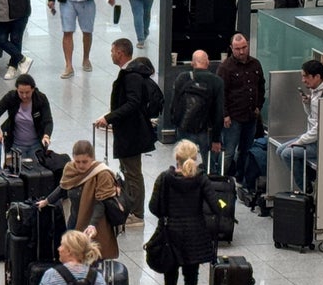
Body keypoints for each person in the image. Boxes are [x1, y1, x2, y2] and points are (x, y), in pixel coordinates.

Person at [149, 140, 224, 285]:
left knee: (170, 280)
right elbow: (216, 207)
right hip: (195, 235)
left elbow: (153, 207)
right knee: (191, 278)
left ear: (177, 159)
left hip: (170, 234)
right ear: (196, 158)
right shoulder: (201, 179)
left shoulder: (165, 178)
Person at [95, 39, 157, 227]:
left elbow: (132, 103)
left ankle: (137, 214)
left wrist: (110, 117)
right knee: (129, 171)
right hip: (129, 130)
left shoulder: (131, 76)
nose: (111, 54)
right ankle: (132, 209)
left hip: (132, 133)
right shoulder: (131, 73)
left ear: (121, 53)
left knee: (132, 173)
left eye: (113, 51)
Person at [39, 140, 123, 258]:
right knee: (70, 255)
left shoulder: (102, 173)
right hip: (74, 220)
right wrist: (47, 201)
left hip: (96, 223)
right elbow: (63, 187)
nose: (81, 165)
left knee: (92, 256)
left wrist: (92, 225)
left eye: (85, 162)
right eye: (77, 162)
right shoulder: (70, 169)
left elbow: (101, 202)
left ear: (92, 158)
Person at [277, 59, 323, 192]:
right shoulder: (317, 89)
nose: (303, 80)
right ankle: (308, 180)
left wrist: (300, 141)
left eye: (305, 76)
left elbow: (321, 127)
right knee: (280, 150)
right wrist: (307, 104)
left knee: (287, 154)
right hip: (312, 139)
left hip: (320, 144)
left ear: (317, 77)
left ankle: (306, 189)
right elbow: (313, 117)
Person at [217, 33, 266, 186]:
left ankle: (242, 178)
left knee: (246, 150)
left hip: (251, 116)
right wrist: (225, 115)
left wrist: (259, 105)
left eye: (244, 47)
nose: (242, 52)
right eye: (238, 49)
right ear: (231, 48)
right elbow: (221, 93)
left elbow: (261, 86)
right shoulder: (226, 68)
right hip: (233, 118)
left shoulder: (255, 64)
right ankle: (220, 180)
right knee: (229, 151)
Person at [170, 50, 224, 164]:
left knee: (184, 163)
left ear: (192, 63)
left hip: (184, 127)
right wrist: (216, 139)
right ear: (207, 62)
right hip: (205, 130)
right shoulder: (217, 81)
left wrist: (176, 123)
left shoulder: (182, 77)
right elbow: (219, 112)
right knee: (209, 165)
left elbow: (174, 103)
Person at [0, 73, 53, 155]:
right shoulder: (10, 97)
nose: (24, 96)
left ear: (33, 89)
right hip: (15, 146)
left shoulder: (41, 99)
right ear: (16, 89)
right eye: (21, 92)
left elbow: (48, 121)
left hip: (37, 145)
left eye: (27, 92)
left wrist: (46, 136)